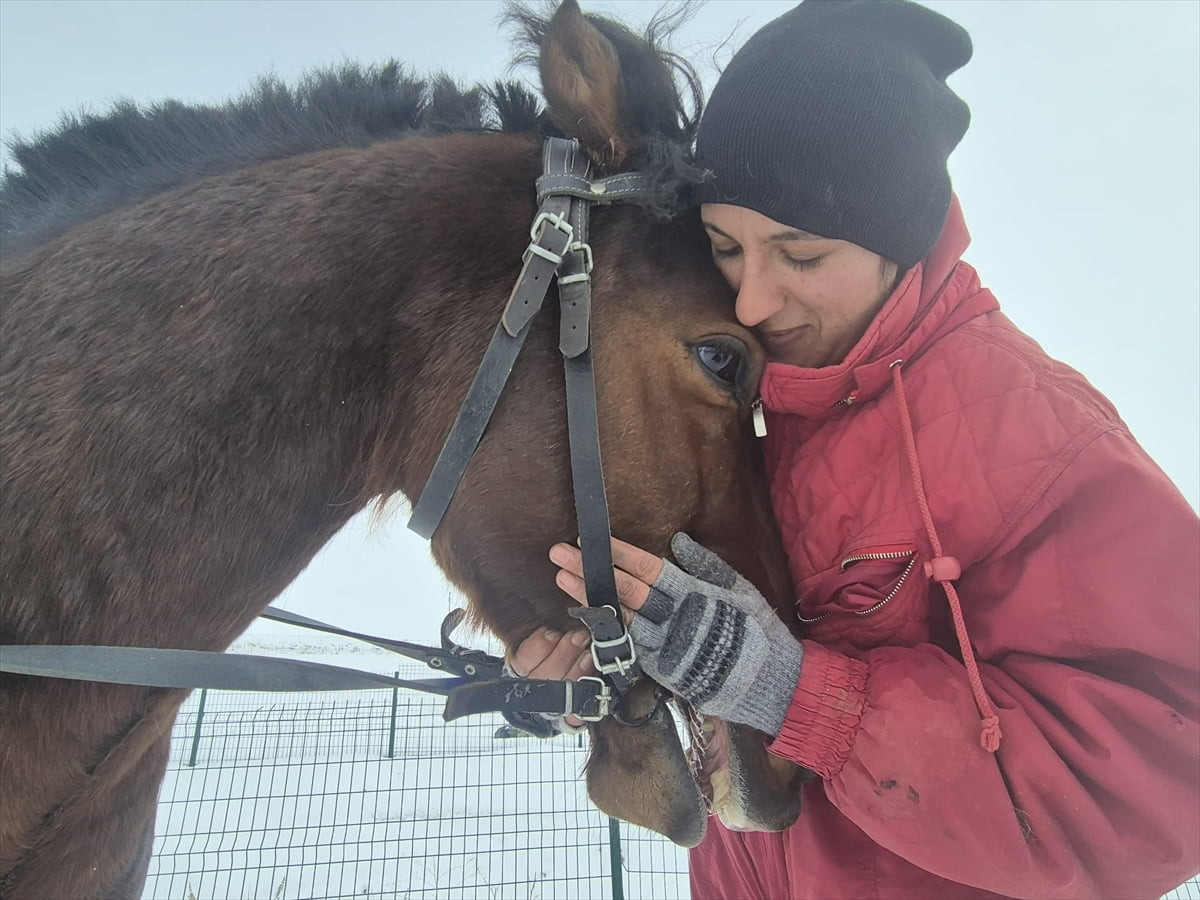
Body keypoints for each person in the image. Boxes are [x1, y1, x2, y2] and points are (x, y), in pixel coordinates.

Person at [510, 1, 1200, 897]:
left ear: (898, 241)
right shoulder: (757, 406)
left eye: (800, 255)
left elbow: (1160, 795)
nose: (753, 300)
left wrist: (800, 698)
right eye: (726, 245)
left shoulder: (1039, 437)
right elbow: (719, 676)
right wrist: (612, 665)